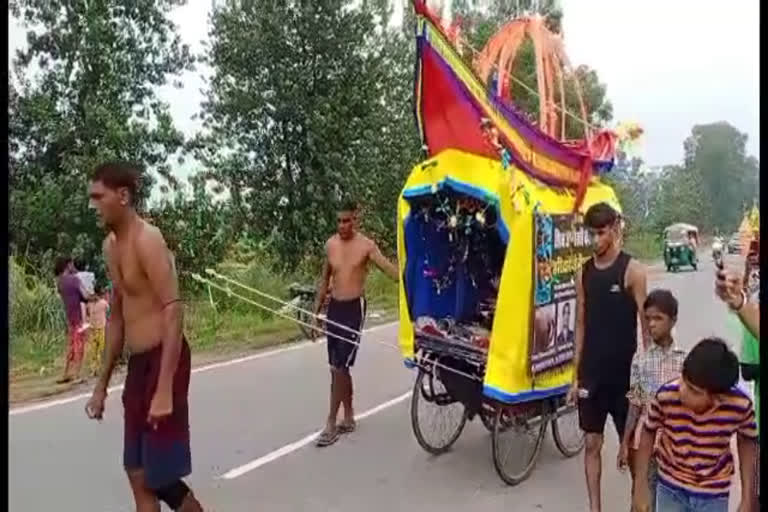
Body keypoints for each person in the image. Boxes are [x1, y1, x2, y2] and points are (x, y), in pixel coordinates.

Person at [84, 162, 204, 511]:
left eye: (98, 196)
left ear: (122, 196)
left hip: (166, 359)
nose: (93, 205)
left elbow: (173, 309)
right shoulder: (111, 247)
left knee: (161, 477)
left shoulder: (147, 240)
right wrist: (101, 385)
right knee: (137, 473)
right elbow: (117, 318)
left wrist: (166, 387)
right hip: (138, 366)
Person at [568, 202, 649, 512]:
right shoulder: (583, 272)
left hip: (625, 377)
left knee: (631, 448)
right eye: (590, 234)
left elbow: (646, 327)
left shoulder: (633, 271)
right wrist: (575, 375)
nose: (594, 240)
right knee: (591, 443)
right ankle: (595, 507)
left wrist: (647, 380)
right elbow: (580, 323)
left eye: (600, 233)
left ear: (614, 230)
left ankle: (637, 504)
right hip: (592, 374)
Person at [632, 338, 758, 512]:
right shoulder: (667, 395)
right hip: (670, 487)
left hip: (713, 493)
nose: (682, 389)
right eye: (684, 379)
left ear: (717, 399)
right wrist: (640, 487)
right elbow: (648, 432)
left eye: (694, 391)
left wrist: (747, 498)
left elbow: (747, 443)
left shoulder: (739, 406)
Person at [312, 201, 399, 447]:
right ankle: (348, 418)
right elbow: (323, 281)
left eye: (347, 220)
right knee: (336, 367)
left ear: (355, 220)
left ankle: (331, 422)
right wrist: (315, 313)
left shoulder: (366, 246)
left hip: (354, 310)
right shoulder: (330, 245)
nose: (343, 226)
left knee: (339, 367)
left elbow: (388, 269)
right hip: (335, 310)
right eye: (339, 221)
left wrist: (407, 279)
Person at [618, 289, 686, 511]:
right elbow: (635, 402)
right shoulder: (641, 359)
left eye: (658, 318)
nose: (651, 324)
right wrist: (625, 442)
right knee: (642, 498)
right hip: (645, 442)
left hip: (676, 443)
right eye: (648, 319)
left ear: (673, 320)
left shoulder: (685, 359)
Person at [55, 256, 88, 384]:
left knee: (71, 346)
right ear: (68, 265)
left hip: (69, 318)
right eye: (72, 264)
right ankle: (76, 375)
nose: (74, 266)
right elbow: (85, 295)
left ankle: (66, 373)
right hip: (79, 318)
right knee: (79, 346)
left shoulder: (60, 282)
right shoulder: (75, 279)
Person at [86, 284, 109, 377]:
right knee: (100, 349)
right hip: (101, 328)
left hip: (92, 328)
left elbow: (87, 314)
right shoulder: (104, 303)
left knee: (93, 350)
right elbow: (108, 310)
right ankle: (98, 369)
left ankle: (93, 369)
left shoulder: (90, 303)